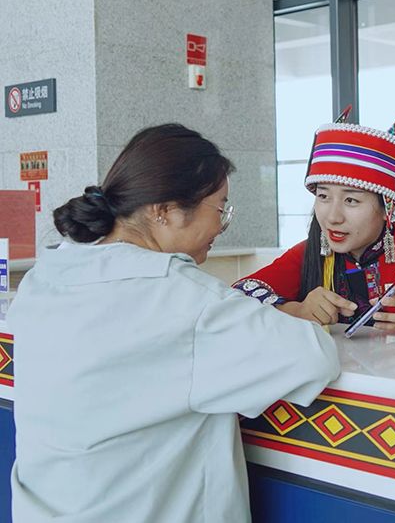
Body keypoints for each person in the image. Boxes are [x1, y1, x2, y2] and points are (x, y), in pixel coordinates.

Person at [7, 124, 339, 523]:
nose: (220, 226)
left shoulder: (46, 277)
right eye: (220, 209)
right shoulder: (181, 297)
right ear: (163, 210)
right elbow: (312, 357)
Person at [234, 108, 395, 337]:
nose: (333, 217)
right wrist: (296, 310)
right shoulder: (311, 252)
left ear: (386, 208)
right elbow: (236, 297)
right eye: (323, 196)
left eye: (351, 200)